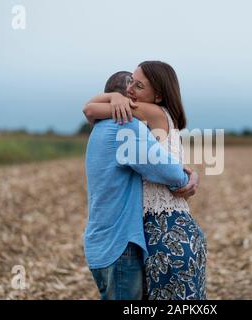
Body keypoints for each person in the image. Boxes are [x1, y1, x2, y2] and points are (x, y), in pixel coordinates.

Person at [84, 61, 207, 300]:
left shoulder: (110, 127)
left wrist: (184, 174)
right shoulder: (124, 127)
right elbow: (167, 170)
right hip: (158, 235)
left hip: (164, 234)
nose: (132, 92)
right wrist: (187, 176)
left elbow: (89, 110)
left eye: (138, 86)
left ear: (158, 95)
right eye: (131, 84)